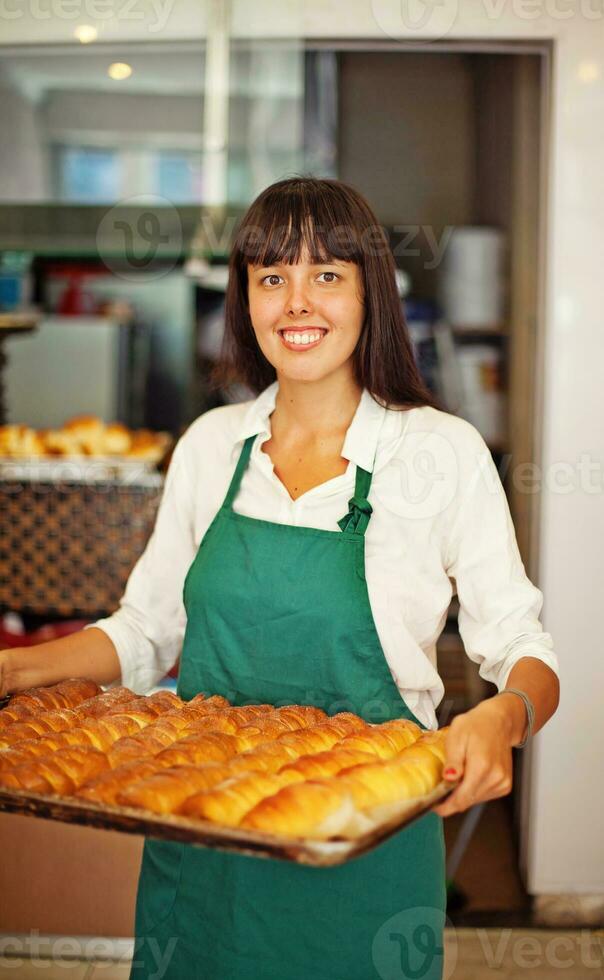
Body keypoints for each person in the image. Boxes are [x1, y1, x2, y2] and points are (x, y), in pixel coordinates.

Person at [0, 176, 560, 980]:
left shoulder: (439, 453)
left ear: (371, 294)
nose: (297, 302)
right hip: (202, 853)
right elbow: (145, 635)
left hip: (364, 868)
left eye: (326, 275)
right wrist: (13, 670)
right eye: (272, 278)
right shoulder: (211, 445)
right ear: (246, 300)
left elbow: (522, 648)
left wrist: (504, 717)